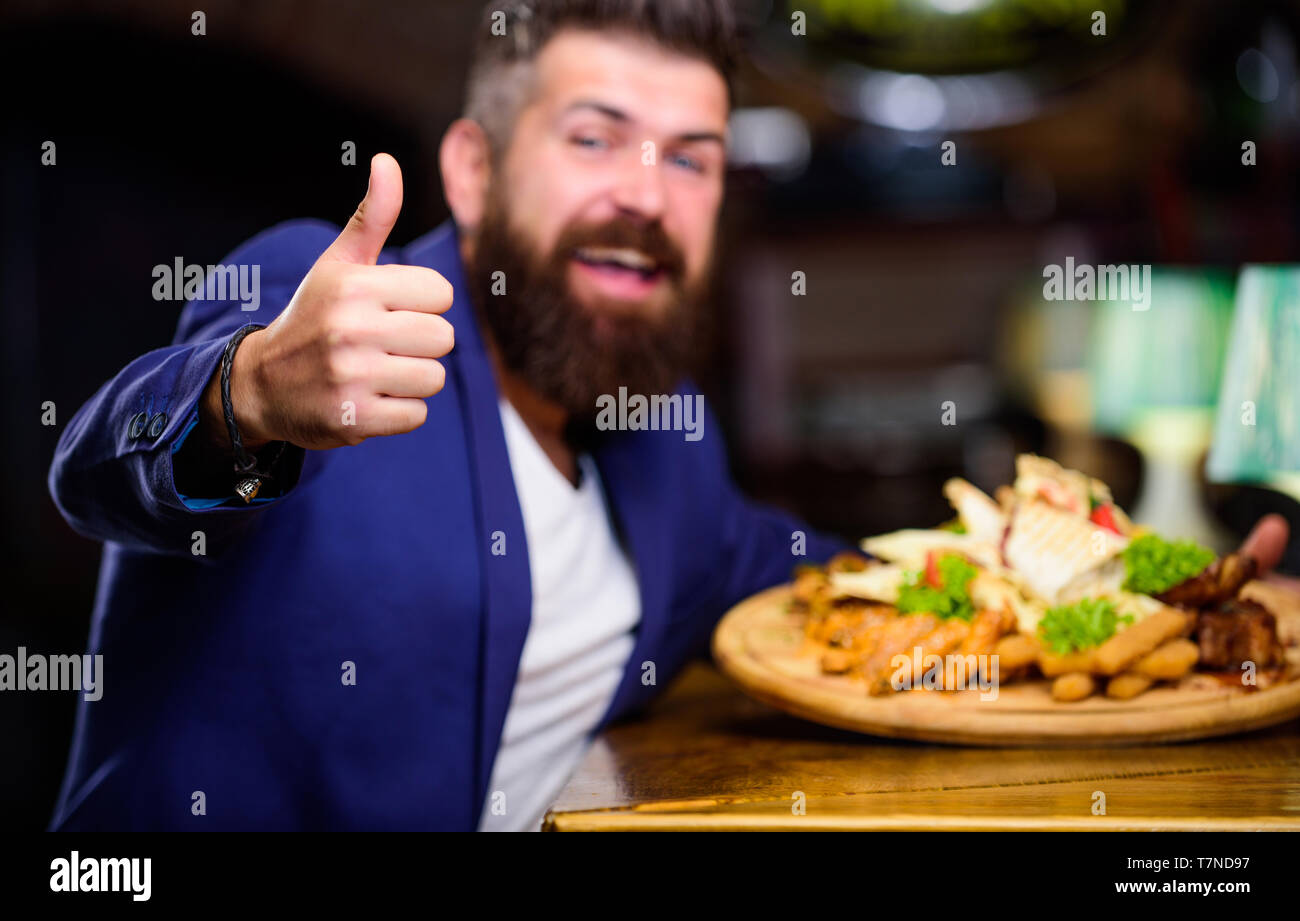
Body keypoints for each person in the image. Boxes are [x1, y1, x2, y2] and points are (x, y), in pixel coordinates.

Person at [46, 0, 1291, 832]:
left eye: (690, 156)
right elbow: (105, 463)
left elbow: (817, 585)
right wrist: (247, 395)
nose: (646, 194)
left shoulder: (663, 430)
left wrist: (1132, 586)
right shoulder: (334, 316)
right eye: (598, 137)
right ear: (474, 171)